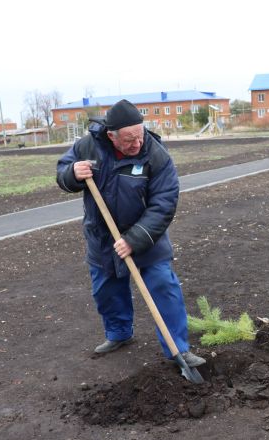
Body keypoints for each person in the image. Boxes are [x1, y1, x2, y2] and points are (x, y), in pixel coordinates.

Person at [56, 99, 205, 367]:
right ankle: (119, 334)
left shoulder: (155, 154)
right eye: (128, 139)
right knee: (107, 291)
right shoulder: (88, 146)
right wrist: (72, 173)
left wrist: (134, 240)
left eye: (140, 135)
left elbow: (164, 203)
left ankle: (178, 349)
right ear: (111, 136)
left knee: (163, 287)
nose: (136, 144)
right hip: (102, 238)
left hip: (146, 239)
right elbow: (62, 172)